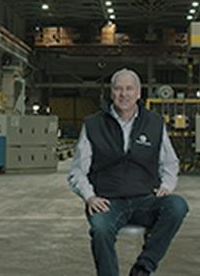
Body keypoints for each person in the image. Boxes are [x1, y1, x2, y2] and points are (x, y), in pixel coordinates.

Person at [68, 69, 189, 276]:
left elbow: (170, 162)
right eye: (118, 89)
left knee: (177, 206)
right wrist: (90, 197)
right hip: (108, 202)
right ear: (111, 93)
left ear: (138, 93)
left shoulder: (154, 123)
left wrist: (167, 186)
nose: (124, 94)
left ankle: (144, 267)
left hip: (145, 200)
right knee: (101, 230)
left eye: (129, 89)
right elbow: (78, 171)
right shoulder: (93, 124)